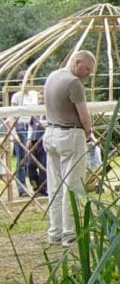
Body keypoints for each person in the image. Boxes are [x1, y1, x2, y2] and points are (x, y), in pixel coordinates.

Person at [43, 50, 96, 247]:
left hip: (50, 134)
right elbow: (84, 116)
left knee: (54, 186)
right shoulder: (74, 83)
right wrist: (89, 133)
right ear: (77, 62)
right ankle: (70, 234)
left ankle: (54, 232)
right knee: (72, 187)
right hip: (70, 135)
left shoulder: (52, 77)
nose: (88, 73)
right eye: (87, 68)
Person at [10, 71, 39, 197]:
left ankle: (39, 186)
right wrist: (14, 132)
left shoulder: (35, 94)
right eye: (24, 81)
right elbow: (11, 115)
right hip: (21, 126)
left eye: (29, 81)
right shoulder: (16, 96)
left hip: (35, 126)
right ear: (19, 82)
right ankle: (22, 189)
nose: (27, 84)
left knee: (35, 158)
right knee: (21, 159)